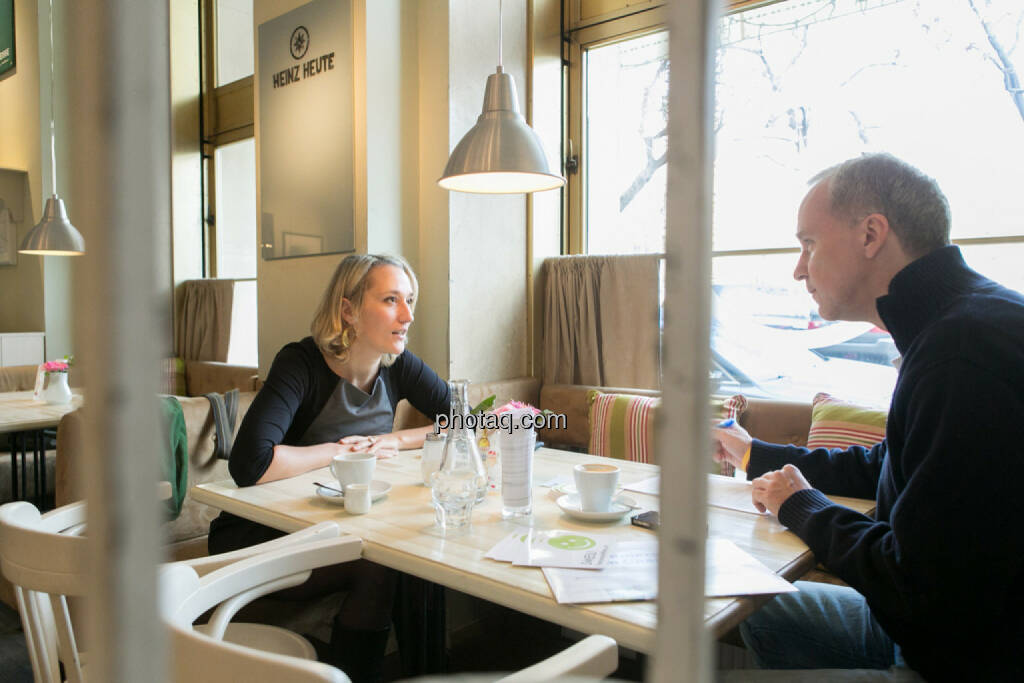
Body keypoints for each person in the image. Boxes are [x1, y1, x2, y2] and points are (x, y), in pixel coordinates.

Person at [712, 153, 1024, 681]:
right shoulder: (955, 324)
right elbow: (891, 464)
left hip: (964, 658)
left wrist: (802, 506)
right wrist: (754, 454)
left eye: (809, 243)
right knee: (762, 607)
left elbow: (917, 584)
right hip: (935, 631)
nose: (798, 268)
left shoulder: (961, 356)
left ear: (871, 235)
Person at [208, 253, 449, 683]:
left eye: (410, 300)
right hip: (260, 534)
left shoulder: (399, 365)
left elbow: (465, 420)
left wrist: (396, 439)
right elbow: (251, 464)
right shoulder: (300, 363)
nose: (408, 315)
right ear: (348, 310)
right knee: (384, 565)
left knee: (417, 555)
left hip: (339, 525)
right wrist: (340, 451)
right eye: (391, 300)